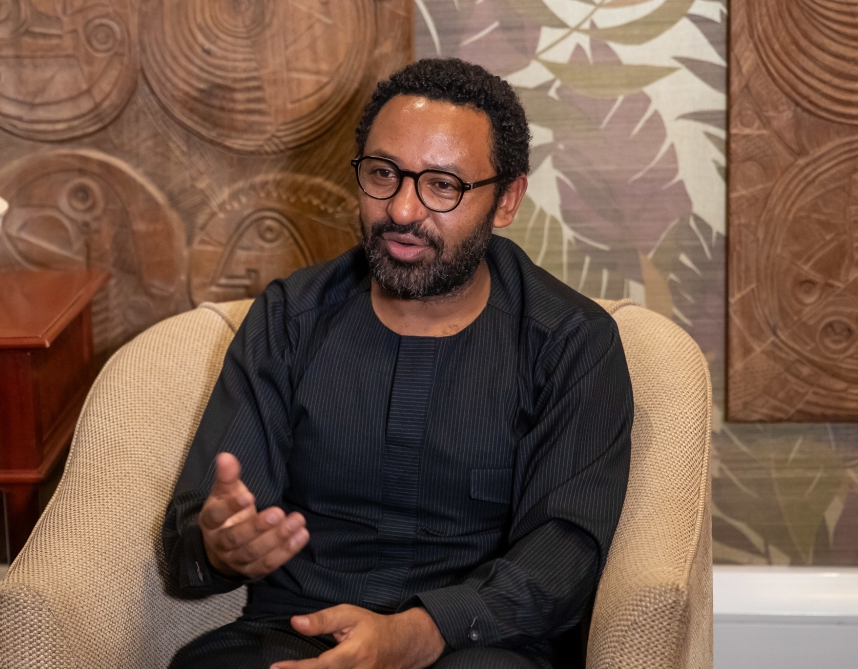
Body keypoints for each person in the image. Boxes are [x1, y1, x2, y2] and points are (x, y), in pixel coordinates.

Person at [163, 58, 633, 669]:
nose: (404, 211)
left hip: (481, 647)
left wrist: (418, 632)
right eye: (383, 174)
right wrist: (224, 547)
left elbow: (563, 551)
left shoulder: (571, 341)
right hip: (297, 632)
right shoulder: (289, 319)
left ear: (507, 198)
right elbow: (200, 537)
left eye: (443, 185)